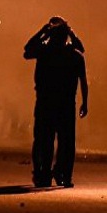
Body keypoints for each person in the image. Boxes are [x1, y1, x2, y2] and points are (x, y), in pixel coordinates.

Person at [24, 16, 88, 188]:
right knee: (66, 141)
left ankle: (42, 173)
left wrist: (43, 32)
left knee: (43, 139)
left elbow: (27, 50)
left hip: (46, 101)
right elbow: (83, 77)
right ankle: (63, 174)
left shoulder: (45, 50)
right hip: (66, 103)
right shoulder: (74, 55)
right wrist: (85, 102)